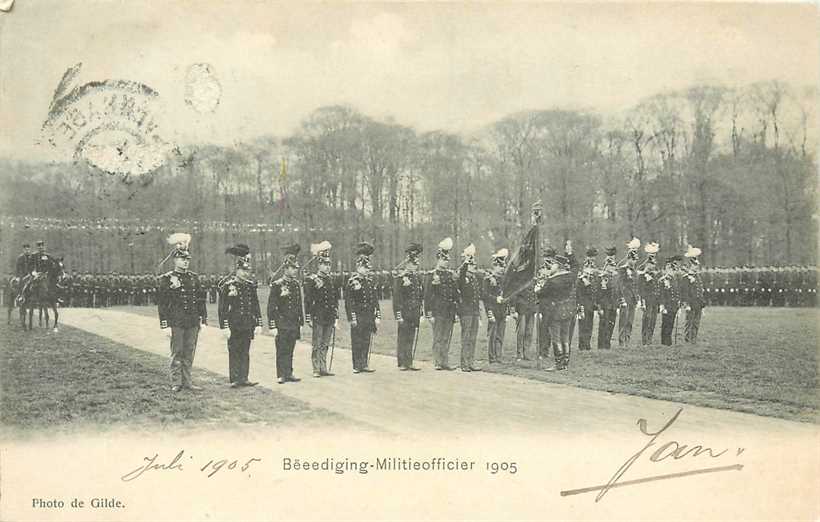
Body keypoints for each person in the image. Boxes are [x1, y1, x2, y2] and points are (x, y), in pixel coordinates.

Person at [156, 233, 208, 392]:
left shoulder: (194, 278)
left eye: (187, 260)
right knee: (177, 352)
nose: (185, 262)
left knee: (189, 352)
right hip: (176, 321)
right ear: (175, 260)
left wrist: (203, 319)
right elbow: (162, 303)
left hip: (192, 322)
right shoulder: (167, 279)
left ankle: (187, 382)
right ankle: (176, 382)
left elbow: (201, 300)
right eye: (182, 259)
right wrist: (164, 324)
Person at [218, 244, 262, 388]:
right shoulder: (229, 285)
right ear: (237, 270)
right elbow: (222, 308)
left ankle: (244, 377)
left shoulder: (250, 286)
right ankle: (235, 378)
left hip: (247, 323)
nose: (245, 273)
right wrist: (224, 326)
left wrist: (259, 323)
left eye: (247, 270)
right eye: (243, 270)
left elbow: (255, 306)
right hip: (234, 324)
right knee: (235, 350)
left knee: (245, 351)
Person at [267, 244, 304, 384]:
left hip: (293, 322)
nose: (295, 271)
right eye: (293, 268)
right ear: (286, 268)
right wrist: (273, 325)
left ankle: (289, 372)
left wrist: (300, 322)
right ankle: (281, 374)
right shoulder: (277, 285)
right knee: (281, 349)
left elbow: (298, 304)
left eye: (296, 268)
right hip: (282, 322)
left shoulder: (295, 285)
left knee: (290, 349)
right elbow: (271, 307)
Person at [534, 253, 576, 370]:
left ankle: (558, 363)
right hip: (568, 310)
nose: (551, 266)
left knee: (556, 338)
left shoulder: (552, 280)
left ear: (558, 265)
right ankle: (565, 363)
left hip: (555, 311)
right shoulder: (570, 277)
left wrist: (537, 289)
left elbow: (542, 293)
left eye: (553, 264)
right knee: (565, 337)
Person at [304, 241, 340, 377]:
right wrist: (308, 317)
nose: (327, 267)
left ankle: (323, 367)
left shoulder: (331, 280)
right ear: (319, 265)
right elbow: (307, 300)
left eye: (329, 264)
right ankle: (316, 368)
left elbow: (335, 300)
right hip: (318, 315)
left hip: (329, 316)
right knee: (317, 343)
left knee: (325, 343)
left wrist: (336, 316)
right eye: (324, 264)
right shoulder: (312, 280)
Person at [344, 242, 381, 373]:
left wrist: (377, 315)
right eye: (365, 268)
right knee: (357, 340)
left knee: (366, 340)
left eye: (368, 268)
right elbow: (349, 302)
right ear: (359, 266)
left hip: (368, 315)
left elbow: (375, 300)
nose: (367, 270)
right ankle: (357, 365)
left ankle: (364, 363)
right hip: (358, 315)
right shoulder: (352, 282)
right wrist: (352, 317)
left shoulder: (369, 282)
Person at [424, 237, 459, 370]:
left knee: (446, 337)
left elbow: (454, 295)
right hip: (437, 312)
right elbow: (427, 296)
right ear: (438, 259)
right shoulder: (431, 275)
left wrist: (455, 312)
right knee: (438, 337)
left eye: (446, 260)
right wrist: (429, 314)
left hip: (449, 312)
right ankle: (438, 362)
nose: (445, 262)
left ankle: (445, 361)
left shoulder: (450, 275)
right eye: (443, 259)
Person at [392, 242, 424, 371]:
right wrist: (398, 315)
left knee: (411, 336)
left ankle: (409, 361)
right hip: (404, 311)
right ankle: (402, 362)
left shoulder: (417, 278)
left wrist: (420, 312)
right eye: (413, 263)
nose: (415, 266)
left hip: (414, 312)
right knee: (403, 337)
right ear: (407, 264)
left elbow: (419, 296)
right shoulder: (401, 278)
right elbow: (397, 298)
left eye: (416, 264)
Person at [456, 244, 482, 372]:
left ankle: (471, 361)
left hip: (474, 311)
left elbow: (477, 296)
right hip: (466, 311)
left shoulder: (474, 279)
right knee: (466, 337)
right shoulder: (463, 277)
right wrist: (465, 262)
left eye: (474, 265)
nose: (474, 267)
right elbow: (460, 276)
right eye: (472, 265)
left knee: (473, 338)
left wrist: (479, 313)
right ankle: (464, 363)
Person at [482, 248, 509, 363]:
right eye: (500, 266)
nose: (502, 269)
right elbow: (484, 295)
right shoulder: (488, 279)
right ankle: (492, 357)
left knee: (500, 335)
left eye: (503, 267)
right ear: (495, 265)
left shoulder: (504, 279)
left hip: (502, 310)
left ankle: (498, 356)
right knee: (492, 335)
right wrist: (494, 300)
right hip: (492, 309)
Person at [616, 238, 640, 347]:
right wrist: (622, 299)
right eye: (633, 260)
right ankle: (621, 342)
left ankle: (627, 341)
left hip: (633, 299)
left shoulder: (635, 271)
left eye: (636, 260)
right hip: (625, 299)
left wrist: (637, 298)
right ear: (629, 258)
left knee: (630, 321)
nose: (634, 262)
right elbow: (620, 285)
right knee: (623, 321)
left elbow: (636, 286)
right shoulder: (622, 270)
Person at [575, 247, 599, 351]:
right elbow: (578, 288)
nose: (592, 260)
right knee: (583, 323)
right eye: (591, 258)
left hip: (591, 300)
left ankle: (587, 343)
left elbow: (595, 285)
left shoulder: (594, 270)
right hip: (583, 300)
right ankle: (582, 344)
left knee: (589, 323)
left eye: (594, 258)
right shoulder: (582, 270)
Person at [681, 246, 706, 344]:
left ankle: (693, 339)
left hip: (698, 303)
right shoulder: (686, 278)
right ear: (691, 265)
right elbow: (685, 292)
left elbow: (700, 291)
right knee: (689, 322)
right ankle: (687, 339)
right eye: (695, 265)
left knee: (696, 322)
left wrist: (703, 304)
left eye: (697, 266)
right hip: (690, 303)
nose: (696, 267)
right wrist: (686, 304)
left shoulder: (698, 277)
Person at [596, 247, 618, 350]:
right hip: (605, 305)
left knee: (611, 324)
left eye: (613, 266)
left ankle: (607, 344)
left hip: (613, 304)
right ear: (607, 266)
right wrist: (599, 307)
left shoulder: (614, 277)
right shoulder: (603, 277)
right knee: (603, 326)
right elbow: (600, 293)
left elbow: (616, 290)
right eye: (611, 266)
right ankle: (602, 345)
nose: (612, 268)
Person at [638, 242, 660, 345]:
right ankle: (645, 339)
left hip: (655, 298)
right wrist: (642, 300)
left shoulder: (655, 270)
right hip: (647, 298)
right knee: (647, 318)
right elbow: (641, 287)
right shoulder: (643, 271)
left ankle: (649, 339)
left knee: (653, 320)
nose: (653, 257)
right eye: (651, 255)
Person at [658, 256, 682, 346]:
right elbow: (661, 294)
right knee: (666, 324)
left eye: (673, 270)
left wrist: (678, 306)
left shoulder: (675, 280)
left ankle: (668, 342)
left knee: (671, 324)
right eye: (671, 270)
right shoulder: (663, 280)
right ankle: (665, 342)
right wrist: (662, 305)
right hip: (667, 305)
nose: (672, 272)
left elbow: (677, 293)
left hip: (674, 305)